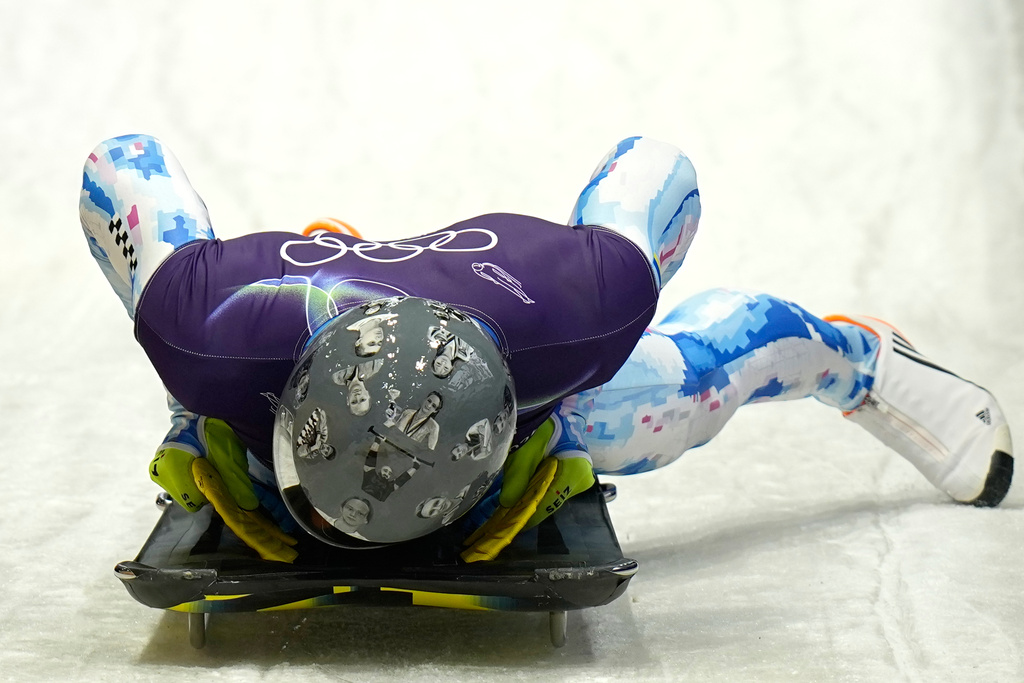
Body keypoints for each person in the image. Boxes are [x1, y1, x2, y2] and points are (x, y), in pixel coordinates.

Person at [80, 134, 1014, 563]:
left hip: (516, 320)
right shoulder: (204, 325)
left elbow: (657, 167)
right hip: (276, 343)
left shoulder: (582, 308)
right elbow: (117, 163)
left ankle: (861, 361)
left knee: (718, 369)